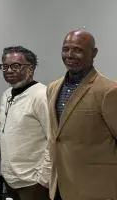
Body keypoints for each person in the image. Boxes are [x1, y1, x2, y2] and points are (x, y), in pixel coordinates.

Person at [47, 30, 117, 200]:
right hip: (59, 187)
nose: (69, 55)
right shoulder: (53, 88)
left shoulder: (109, 91)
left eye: (77, 50)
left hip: (95, 190)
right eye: (65, 49)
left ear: (93, 53)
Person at [0, 46, 50, 200]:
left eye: (16, 66)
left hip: (33, 183)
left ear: (31, 69)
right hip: (10, 180)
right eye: (5, 66)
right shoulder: (6, 95)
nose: (9, 70)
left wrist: (43, 180)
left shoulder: (41, 96)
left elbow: (53, 140)